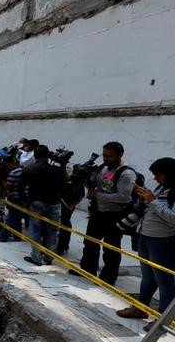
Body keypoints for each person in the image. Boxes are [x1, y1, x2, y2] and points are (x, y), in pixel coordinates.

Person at [116, 158, 175, 331]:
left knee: (165, 283)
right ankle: (140, 308)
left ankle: (162, 320)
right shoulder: (160, 188)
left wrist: (153, 201)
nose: (156, 179)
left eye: (159, 175)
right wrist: (145, 198)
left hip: (163, 242)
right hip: (146, 237)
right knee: (148, 278)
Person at [72, 142, 136, 285]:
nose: (105, 159)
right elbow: (105, 182)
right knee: (90, 242)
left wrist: (97, 195)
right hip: (98, 213)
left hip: (114, 215)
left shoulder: (126, 173)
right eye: (104, 155)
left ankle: (108, 277)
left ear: (119, 155)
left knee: (111, 247)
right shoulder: (106, 168)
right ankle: (87, 270)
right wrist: (88, 179)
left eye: (109, 156)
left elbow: (123, 197)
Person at [19, 145, 66, 265]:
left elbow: (20, 187)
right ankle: (49, 258)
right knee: (53, 231)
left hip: (36, 202)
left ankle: (36, 257)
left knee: (35, 230)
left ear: (34, 155)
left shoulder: (29, 168)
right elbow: (64, 186)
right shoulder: (58, 170)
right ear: (48, 155)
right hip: (54, 203)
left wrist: (25, 201)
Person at [0, 155, 26, 242]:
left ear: (10, 164)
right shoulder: (24, 170)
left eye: (7, 166)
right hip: (23, 198)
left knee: (11, 217)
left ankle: (4, 236)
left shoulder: (13, 173)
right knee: (17, 218)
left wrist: (1, 179)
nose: (6, 168)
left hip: (15, 198)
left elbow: (8, 187)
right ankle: (17, 236)